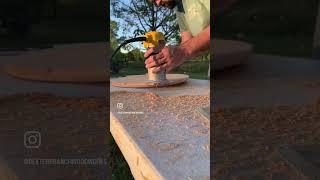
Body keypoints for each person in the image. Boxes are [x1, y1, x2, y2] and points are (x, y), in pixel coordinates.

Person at [145, 0, 210, 74]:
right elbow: (187, 43)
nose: (158, 3)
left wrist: (183, 50)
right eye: (154, 2)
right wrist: (165, 60)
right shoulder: (179, 9)